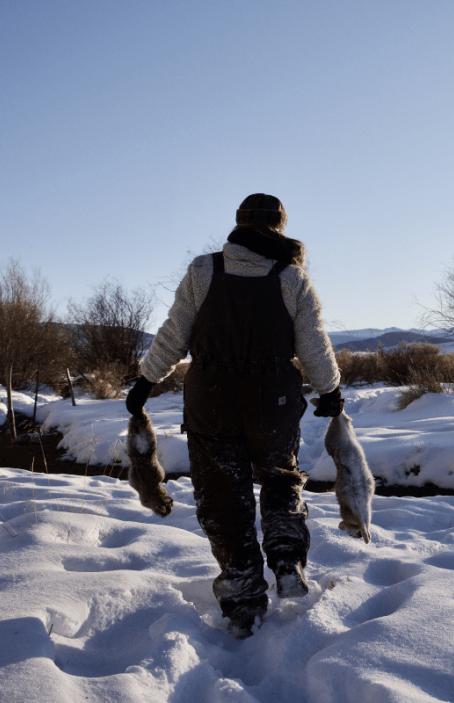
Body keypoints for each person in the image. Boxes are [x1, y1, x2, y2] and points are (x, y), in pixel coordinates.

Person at [125, 193, 343, 638]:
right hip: (272, 402)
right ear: (279, 227)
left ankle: (243, 600)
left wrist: (146, 381)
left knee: (223, 498)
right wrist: (331, 390)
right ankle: (287, 560)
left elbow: (174, 334)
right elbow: (313, 345)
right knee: (280, 480)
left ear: (239, 225)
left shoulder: (203, 270)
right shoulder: (292, 277)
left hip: (212, 400)